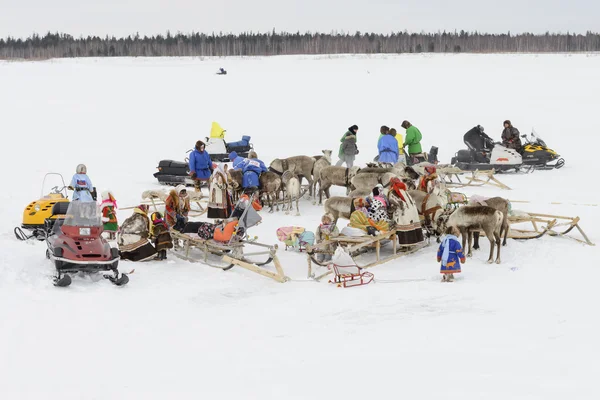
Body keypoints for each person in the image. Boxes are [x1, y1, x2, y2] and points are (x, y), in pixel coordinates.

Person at [387, 178, 424, 245]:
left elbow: (394, 202)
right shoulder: (403, 190)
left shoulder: (393, 191)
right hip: (411, 211)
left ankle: (405, 245)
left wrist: (390, 211)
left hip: (402, 213)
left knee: (403, 228)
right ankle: (412, 243)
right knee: (411, 226)